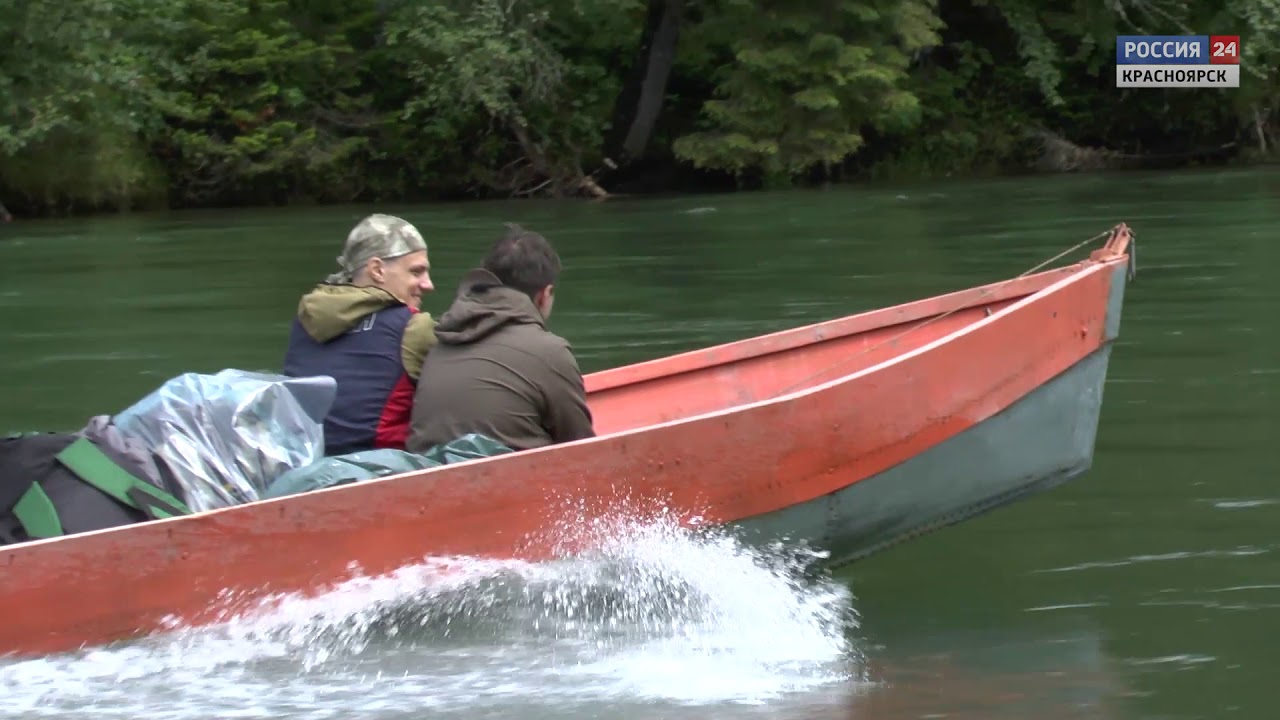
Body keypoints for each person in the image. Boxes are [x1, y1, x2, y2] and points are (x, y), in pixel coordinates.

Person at [406, 223, 595, 453]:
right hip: (505, 481)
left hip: (425, 479)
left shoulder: (442, 340)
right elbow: (581, 448)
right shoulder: (550, 352)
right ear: (545, 295)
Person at [282, 213, 438, 456]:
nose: (428, 285)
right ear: (377, 270)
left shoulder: (307, 320)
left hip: (305, 471)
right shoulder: (414, 327)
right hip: (378, 476)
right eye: (416, 272)